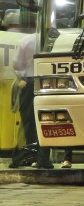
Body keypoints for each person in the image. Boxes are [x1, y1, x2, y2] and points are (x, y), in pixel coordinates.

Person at [9, 33, 53, 169]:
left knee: (29, 122)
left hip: (30, 83)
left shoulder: (26, 40)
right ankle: (43, 158)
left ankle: (28, 156)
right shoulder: (55, 39)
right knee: (48, 120)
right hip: (51, 83)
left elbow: (16, 65)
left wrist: (23, 77)